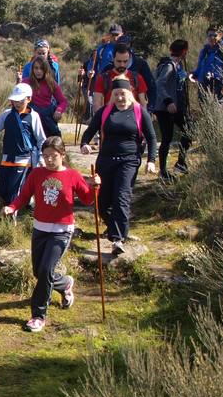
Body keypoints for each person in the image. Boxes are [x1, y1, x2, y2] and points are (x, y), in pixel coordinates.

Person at [3, 137, 100, 332]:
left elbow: (88, 199)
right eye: (45, 156)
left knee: (46, 271)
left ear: (62, 155)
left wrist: (96, 186)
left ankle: (38, 316)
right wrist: (12, 207)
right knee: (39, 272)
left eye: (53, 156)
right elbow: (24, 195)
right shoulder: (37, 174)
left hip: (62, 231)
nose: (48, 160)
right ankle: (64, 284)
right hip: (40, 229)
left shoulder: (72, 175)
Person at [81, 78, 158, 253]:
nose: (120, 98)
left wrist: (151, 161)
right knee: (101, 201)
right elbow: (89, 132)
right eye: (116, 94)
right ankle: (115, 227)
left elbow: (152, 138)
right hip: (106, 160)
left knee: (121, 198)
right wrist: (84, 144)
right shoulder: (105, 112)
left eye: (123, 94)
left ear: (129, 93)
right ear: (112, 96)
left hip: (129, 161)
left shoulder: (139, 112)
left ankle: (118, 239)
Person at [0, 82, 47, 206]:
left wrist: (40, 157)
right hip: (6, 158)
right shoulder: (7, 114)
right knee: (2, 190)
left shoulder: (33, 117)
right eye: (15, 100)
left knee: (13, 192)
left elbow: (41, 139)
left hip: (24, 160)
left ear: (29, 99)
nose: (17, 103)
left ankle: (11, 220)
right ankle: (29, 200)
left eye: (20, 100)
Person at [153, 39, 192, 179]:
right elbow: (160, 84)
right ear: (184, 51)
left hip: (174, 108)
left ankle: (180, 163)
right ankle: (163, 171)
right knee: (167, 138)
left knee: (188, 131)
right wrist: (168, 101)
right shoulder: (169, 66)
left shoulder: (177, 65)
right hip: (166, 108)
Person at [21, 51, 68, 138]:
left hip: (47, 118)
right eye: (36, 68)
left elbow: (63, 101)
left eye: (41, 68)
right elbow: (16, 100)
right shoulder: (25, 82)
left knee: (54, 140)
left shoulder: (51, 83)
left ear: (46, 69)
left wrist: (59, 110)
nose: (38, 71)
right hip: (30, 118)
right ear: (32, 69)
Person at [91, 43, 148, 113]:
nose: (122, 65)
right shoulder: (103, 78)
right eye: (119, 61)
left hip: (132, 121)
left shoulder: (137, 78)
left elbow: (143, 105)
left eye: (125, 61)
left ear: (129, 59)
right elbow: (96, 105)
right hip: (109, 120)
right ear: (113, 58)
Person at [192, 26, 223, 103]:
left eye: (215, 35)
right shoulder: (205, 51)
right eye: (209, 35)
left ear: (220, 36)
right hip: (204, 84)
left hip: (218, 85)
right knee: (205, 111)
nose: (212, 38)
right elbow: (200, 68)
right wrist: (194, 74)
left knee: (217, 111)